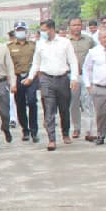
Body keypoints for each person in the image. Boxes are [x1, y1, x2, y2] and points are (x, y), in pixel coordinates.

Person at [23, 19, 79, 151]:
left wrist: (74, 78)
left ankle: (65, 133)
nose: (42, 33)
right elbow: (36, 63)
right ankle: (51, 139)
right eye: (41, 30)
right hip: (46, 79)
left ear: (52, 29)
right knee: (49, 110)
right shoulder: (40, 44)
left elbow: (73, 61)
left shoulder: (65, 42)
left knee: (64, 109)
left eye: (44, 30)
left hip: (63, 78)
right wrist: (30, 77)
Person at [9, 20, 39, 142]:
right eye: (18, 30)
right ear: (15, 32)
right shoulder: (9, 47)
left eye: (22, 30)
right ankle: (25, 130)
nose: (20, 32)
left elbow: (38, 61)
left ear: (26, 31)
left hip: (31, 77)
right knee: (20, 104)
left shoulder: (33, 45)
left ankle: (34, 131)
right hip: (17, 78)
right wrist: (11, 82)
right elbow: (8, 65)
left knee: (32, 102)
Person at [66, 17, 95, 141]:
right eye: (74, 25)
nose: (77, 27)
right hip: (71, 76)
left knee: (87, 103)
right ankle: (76, 128)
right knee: (73, 104)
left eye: (79, 25)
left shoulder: (89, 40)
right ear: (69, 27)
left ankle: (88, 130)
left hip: (86, 75)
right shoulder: (65, 42)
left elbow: (95, 55)